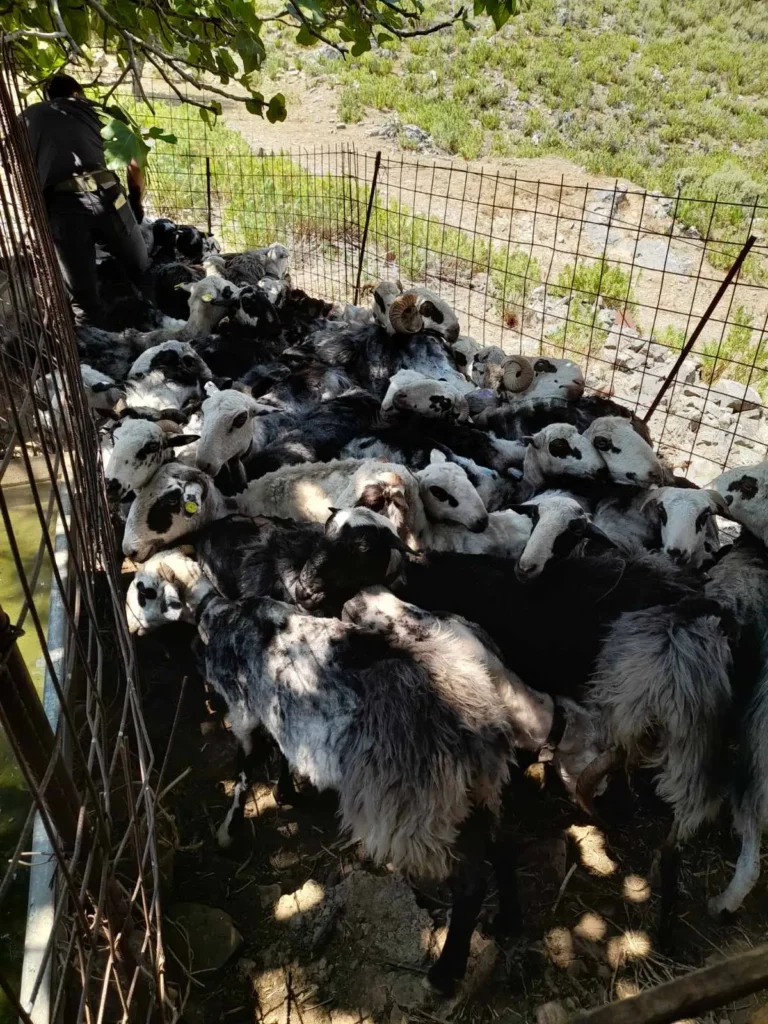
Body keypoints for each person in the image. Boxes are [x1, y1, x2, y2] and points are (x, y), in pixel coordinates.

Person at [21, 73, 149, 326]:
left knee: (83, 299)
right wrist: (136, 200)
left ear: (49, 98)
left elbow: (18, 164)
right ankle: (153, 320)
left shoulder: (28, 117)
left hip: (62, 205)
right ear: (78, 93)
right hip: (110, 196)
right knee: (140, 268)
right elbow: (135, 165)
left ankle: (93, 350)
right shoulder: (99, 112)